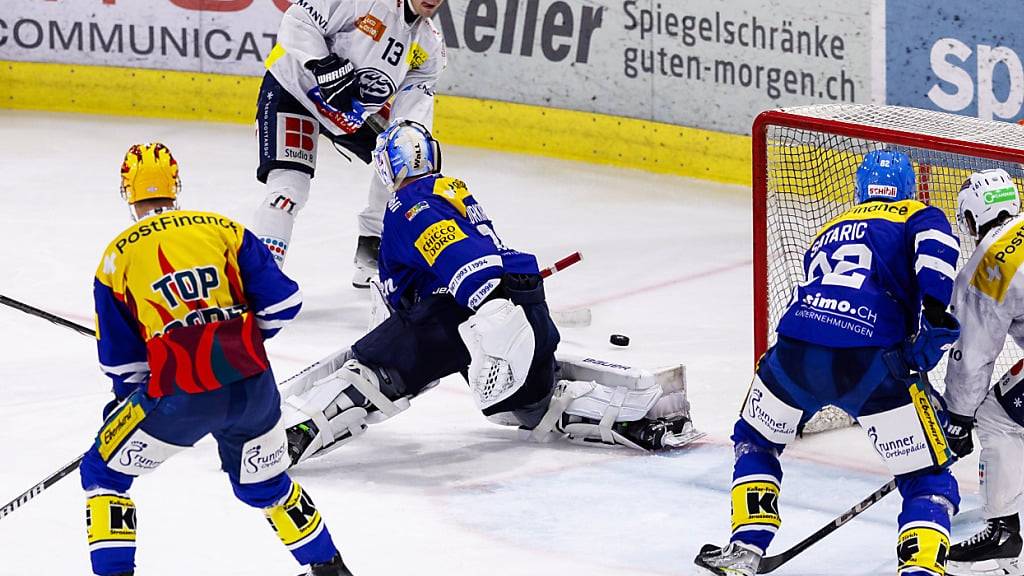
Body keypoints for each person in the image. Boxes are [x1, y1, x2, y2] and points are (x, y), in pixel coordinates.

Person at [278, 121, 702, 466]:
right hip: (521, 303)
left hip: (461, 316)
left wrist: (493, 318)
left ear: (389, 166)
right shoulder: (453, 191)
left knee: (370, 375)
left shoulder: (410, 204)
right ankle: (639, 419)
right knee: (536, 407)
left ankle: (291, 438)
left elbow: (460, 260)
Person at [81, 143, 352, 576]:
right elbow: (285, 302)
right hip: (254, 388)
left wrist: (124, 405)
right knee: (266, 487)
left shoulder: (118, 256)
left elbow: (124, 365)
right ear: (177, 187)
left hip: (180, 397)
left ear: (126, 192)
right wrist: (231, 341)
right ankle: (328, 569)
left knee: (103, 473)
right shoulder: (223, 228)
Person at [695, 149, 963, 576]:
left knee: (755, 440)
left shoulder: (830, 228)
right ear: (908, 189)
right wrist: (934, 318)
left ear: (860, 190)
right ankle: (921, 570)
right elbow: (937, 253)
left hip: (794, 353)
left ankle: (744, 547)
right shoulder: (919, 213)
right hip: (872, 365)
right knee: (927, 478)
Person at [253, 0, 447, 288]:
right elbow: (297, 19)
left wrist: (409, 144)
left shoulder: (428, 46)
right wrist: (323, 63)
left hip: (350, 109)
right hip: (294, 91)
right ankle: (262, 281)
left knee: (404, 157)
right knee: (289, 190)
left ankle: (372, 250)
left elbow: (411, 113)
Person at [942, 168, 1024, 575]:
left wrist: (958, 419)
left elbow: (973, 355)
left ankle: (1003, 535)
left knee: (996, 417)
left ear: (972, 218)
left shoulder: (989, 261)